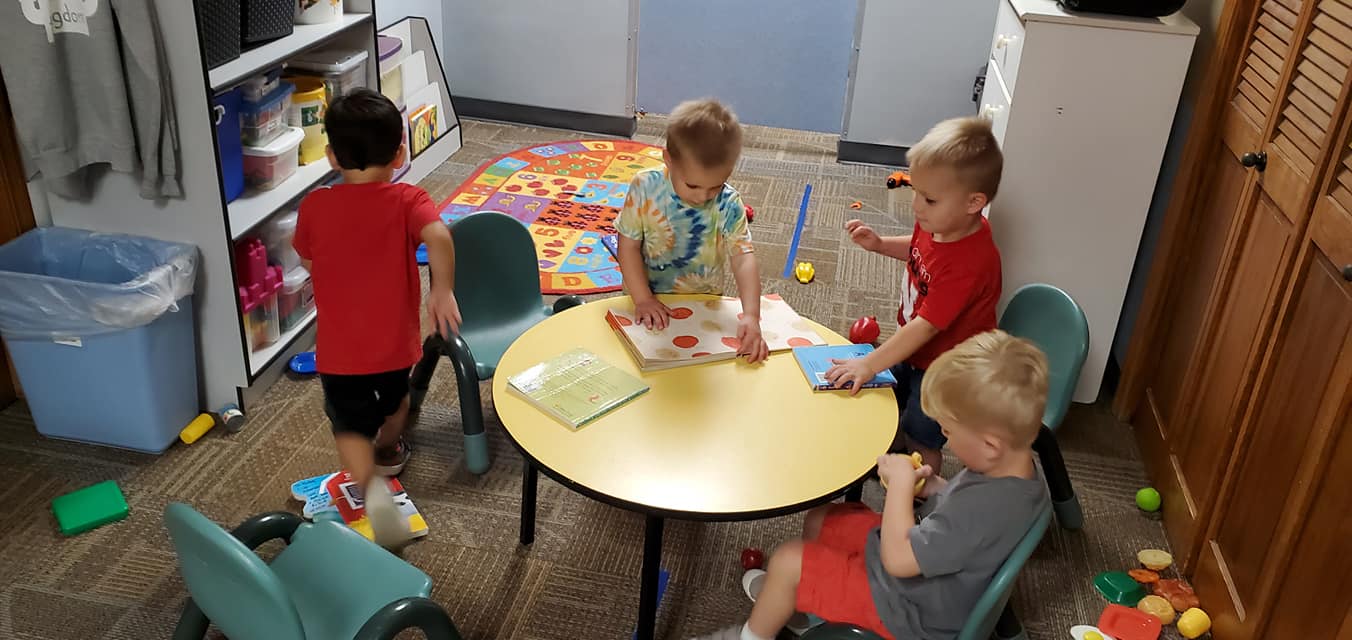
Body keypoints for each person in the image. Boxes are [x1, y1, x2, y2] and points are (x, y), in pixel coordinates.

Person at [695, 330, 1051, 640]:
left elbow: (899, 560)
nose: (946, 438)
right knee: (825, 518)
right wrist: (934, 488)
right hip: (924, 579)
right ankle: (803, 605)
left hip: (910, 612)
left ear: (990, 444)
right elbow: (966, 521)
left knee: (789, 561)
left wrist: (897, 485)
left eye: (949, 431)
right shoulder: (1015, 471)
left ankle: (751, 635)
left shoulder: (985, 508)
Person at [293, 88, 462, 548]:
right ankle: (389, 447)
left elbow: (307, 260)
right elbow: (439, 235)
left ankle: (368, 483)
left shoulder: (315, 206)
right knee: (396, 404)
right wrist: (441, 290)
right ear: (401, 152)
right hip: (394, 344)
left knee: (348, 422)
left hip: (339, 350)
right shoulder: (409, 199)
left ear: (331, 156)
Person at [827, 116, 1004, 470]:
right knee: (893, 400)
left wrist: (870, 362)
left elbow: (926, 326)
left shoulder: (970, 264)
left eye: (930, 199)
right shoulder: (939, 225)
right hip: (916, 349)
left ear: (973, 203)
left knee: (923, 435)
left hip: (947, 367)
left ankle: (918, 501)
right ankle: (892, 458)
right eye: (914, 191)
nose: (916, 206)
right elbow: (921, 250)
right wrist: (879, 245)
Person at [614, 98, 768, 363]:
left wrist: (751, 315)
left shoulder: (729, 203)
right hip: (647, 300)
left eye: (716, 185)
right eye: (693, 186)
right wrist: (642, 299)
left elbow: (743, 259)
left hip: (703, 303)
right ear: (668, 160)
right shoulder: (644, 188)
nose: (703, 197)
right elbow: (627, 247)